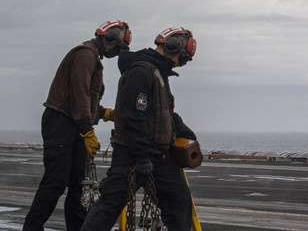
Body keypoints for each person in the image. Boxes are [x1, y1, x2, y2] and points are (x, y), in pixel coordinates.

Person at [80, 26, 198, 231]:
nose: (180, 63)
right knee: (109, 206)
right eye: (182, 58)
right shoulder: (140, 73)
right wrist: (142, 157)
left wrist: (181, 130)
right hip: (132, 155)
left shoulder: (158, 73)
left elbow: (162, 111)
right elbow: (135, 117)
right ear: (173, 47)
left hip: (160, 155)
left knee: (180, 204)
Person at [23, 20, 132, 231]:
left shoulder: (91, 57)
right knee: (55, 182)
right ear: (109, 39)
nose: (116, 53)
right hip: (61, 123)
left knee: (78, 185)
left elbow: (86, 100)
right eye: (118, 48)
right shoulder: (85, 55)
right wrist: (87, 131)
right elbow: (79, 97)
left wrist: (104, 113)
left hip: (72, 123)